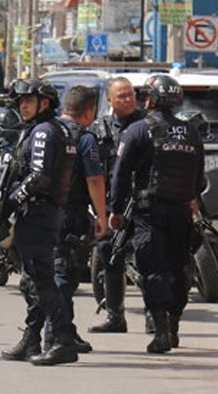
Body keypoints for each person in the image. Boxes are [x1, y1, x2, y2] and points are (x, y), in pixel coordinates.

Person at [108, 73, 206, 354]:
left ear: (150, 99)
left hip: (149, 214)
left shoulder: (137, 130)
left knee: (153, 272)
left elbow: (121, 174)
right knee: (179, 270)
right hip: (182, 214)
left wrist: (116, 210)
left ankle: (162, 333)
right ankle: (173, 327)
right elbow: (199, 179)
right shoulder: (192, 132)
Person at [0, 80, 79, 366]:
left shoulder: (45, 131)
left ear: (44, 103)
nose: (23, 106)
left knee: (43, 281)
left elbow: (38, 177)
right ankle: (32, 337)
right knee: (32, 281)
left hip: (38, 214)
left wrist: (11, 202)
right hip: (45, 212)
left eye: (29, 101)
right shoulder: (53, 129)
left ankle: (63, 340)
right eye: (21, 101)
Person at [45, 85, 107, 360]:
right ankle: (55, 336)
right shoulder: (85, 138)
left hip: (44, 212)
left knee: (54, 272)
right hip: (72, 214)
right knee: (64, 276)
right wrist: (102, 216)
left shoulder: (46, 131)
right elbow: (94, 179)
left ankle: (65, 331)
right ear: (90, 111)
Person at [89, 77, 145, 334]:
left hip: (145, 203)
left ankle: (155, 318)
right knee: (110, 257)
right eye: (121, 96)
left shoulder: (148, 125)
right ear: (110, 100)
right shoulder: (101, 130)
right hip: (114, 204)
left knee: (149, 260)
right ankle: (115, 317)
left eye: (131, 94)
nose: (128, 99)